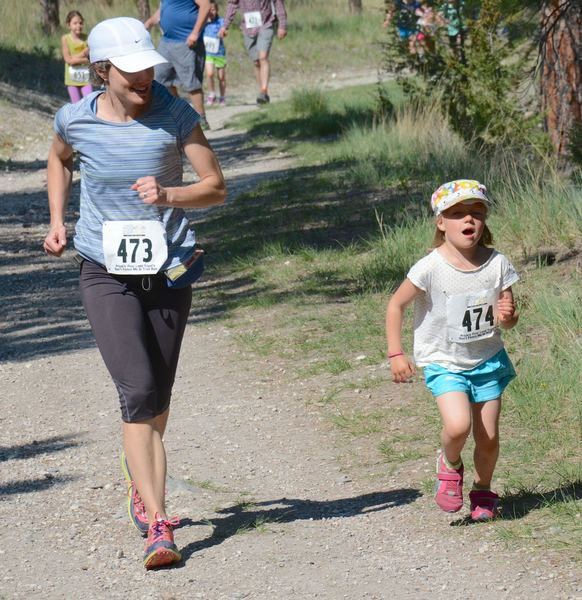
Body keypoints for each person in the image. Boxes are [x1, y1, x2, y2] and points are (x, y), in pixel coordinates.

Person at [43, 17, 226, 569]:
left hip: (169, 270)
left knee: (158, 400)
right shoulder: (74, 119)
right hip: (104, 270)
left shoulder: (176, 115)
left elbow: (215, 187)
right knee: (140, 391)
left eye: (147, 69)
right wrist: (57, 220)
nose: (144, 78)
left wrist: (170, 193)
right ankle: (158, 523)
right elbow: (58, 160)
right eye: (131, 72)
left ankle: (138, 468)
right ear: (102, 71)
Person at [386, 180, 519, 521]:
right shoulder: (430, 267)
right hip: (444, 362)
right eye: (457, 213)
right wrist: (396, 353)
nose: (468, 220)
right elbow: (396, 306)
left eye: (476, 213)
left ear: (485, 220)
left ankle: (483, 490)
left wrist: (509, 316)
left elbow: (508, 318)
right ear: (440, 222)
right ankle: (450, 463)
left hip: (487, 361)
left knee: (488, 437)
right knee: (458, 426)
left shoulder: (497, 263)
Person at [145, 0, 211, 129]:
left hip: (186, 42)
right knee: (161, 80)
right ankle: (180, 114)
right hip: (166, 41)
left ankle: (201, 119)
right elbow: (164, 9)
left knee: (191, 83)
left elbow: (206, 5)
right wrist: (149, 22)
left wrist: (195, 33)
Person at [219, 0, 287, 105]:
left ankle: (264, 91)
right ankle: (262, 92)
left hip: (266, 24)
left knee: (263, 57)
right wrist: (225, 26)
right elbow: (232, 4)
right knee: (256, 61)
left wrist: (282, 25)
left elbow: (278, 3)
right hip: (248, 28)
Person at [61, 10, 92, 103]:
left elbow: (91, 59)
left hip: (86, 79)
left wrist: (74, 59)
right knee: (76, 105)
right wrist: (83, 54)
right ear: (68, 25)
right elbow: (68, 60)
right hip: (72, 80)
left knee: (89, 103)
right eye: (75, 23)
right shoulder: (65, 39)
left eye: (80, 23)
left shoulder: (87, 38)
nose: (78, 26)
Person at [203, 0, 227, 106]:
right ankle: (212, 94)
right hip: (208, 53)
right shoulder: (203, 22)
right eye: (209, 10)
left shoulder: (221, 21)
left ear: (217, 10)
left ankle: (222, 97)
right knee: (209, 74)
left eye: (213, 9)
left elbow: (225, 31)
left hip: (219, 53)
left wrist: (223, 32)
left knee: (221, 77)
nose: (211, 12)